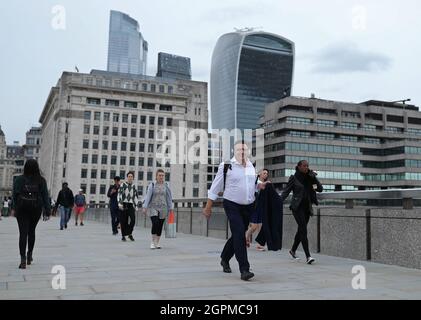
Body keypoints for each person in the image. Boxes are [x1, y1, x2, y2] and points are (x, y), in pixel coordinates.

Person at [203, 140, 269, 281]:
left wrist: (260, 185)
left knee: (237, 236)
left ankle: (225, 258)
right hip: (231, 204)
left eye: (244, 150)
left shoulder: (251, 165)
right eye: (239, 150)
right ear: (235, 151)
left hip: (248, 206)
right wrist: (208, 206)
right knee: (239, 233)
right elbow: (215, 187)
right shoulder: (227, 166)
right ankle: (244, 269)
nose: (242, 152)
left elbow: (251, 183)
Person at [11, 159, 51, 269]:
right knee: (31, 232)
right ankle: (30, 255)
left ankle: (22, 259)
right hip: (35, 209)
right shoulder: (41, 180)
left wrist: (13, 208)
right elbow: (45, 196)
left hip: (22, 209)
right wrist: (47, 211)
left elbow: (14, 195)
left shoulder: (19, 179)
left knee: (22, 233)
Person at [281, 160, 323, 264]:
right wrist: (277, 202)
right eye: (304, 166)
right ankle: (308, 256)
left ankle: (293, 250)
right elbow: (286, 192)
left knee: (301, 230)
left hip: (307, 208)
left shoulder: (310, 178)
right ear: (298, 167)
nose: (306, 167)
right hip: (297, 207)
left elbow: (319, 189)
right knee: (303, 230)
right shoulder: (293, 178)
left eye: (307, 166)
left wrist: (314, 178)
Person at [142, 169, 174, 249]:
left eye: (162, 175)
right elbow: (148, 196)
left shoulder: (166, 185)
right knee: (155, 223)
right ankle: (152, 242)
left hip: (163, 208)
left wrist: (171, 208)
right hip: (153, 207)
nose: (161, 177)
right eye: (159, 175)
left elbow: (169, 197)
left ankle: (157, 242)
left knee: (160, 225)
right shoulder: (152, 185)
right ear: (156, 176)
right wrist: (145, 207)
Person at [245, 169, 270, 251]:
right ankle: (246, 238)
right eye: (264, 173)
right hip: (254, 207)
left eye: (267, 173)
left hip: (262, 207)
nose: (266, 174)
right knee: (254, 227)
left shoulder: (265, 184)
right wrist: (265, 184)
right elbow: (259, 185)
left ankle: (260, 244)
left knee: (261, 226)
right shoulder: (256, 181)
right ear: (259, 174)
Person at [117, 172, 139, 242]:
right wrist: (120, 204)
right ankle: (123, 235)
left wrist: (136, 205)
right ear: (127, 177)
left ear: (133, 178)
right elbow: (119, 194)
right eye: (129, 176)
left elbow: (135, 196)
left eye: (131, 176)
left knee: (133, 220)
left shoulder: (134, 186)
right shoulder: (123, 185)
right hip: (123, 204)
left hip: (130, 205)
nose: (130, 177)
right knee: (123, 221)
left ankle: (129, 233)